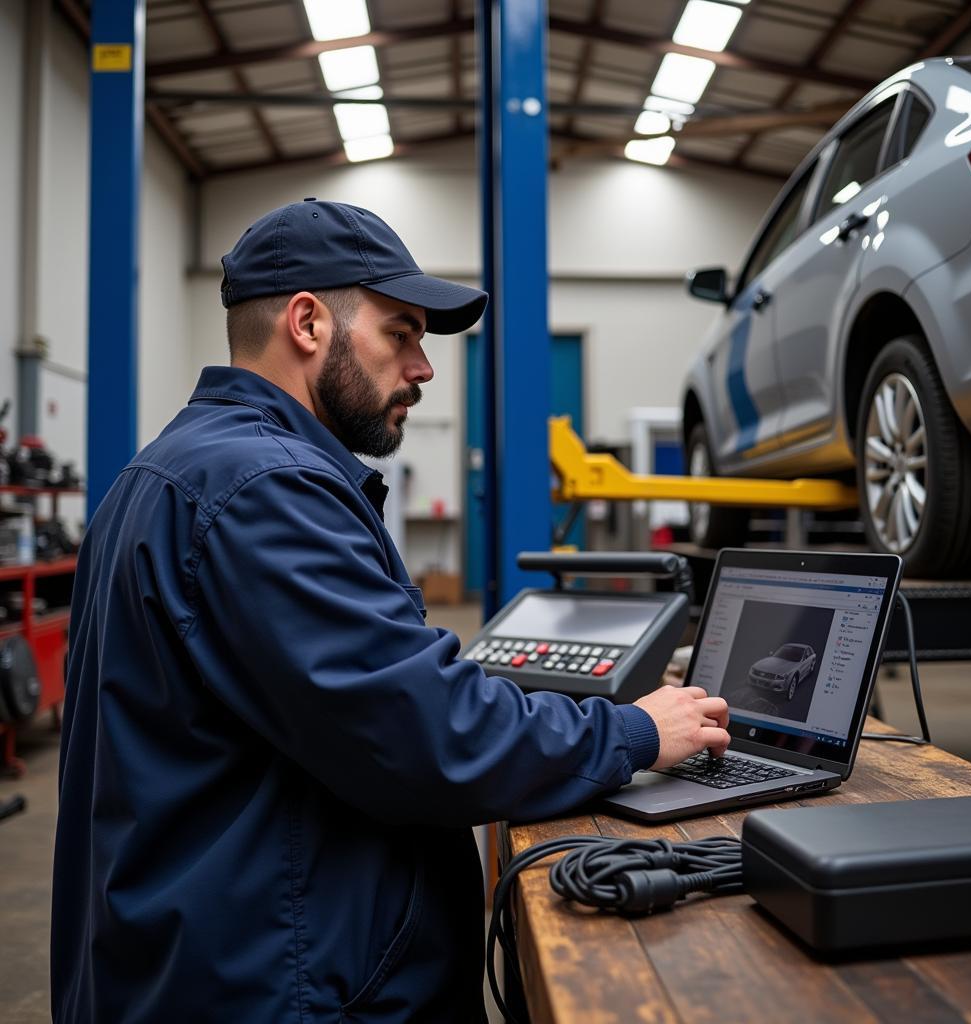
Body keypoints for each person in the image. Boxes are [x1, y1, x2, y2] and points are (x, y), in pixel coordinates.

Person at [51, 199, 730, 1023]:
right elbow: (426, 732)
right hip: (277, 986)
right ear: (308, 322)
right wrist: (635, 732)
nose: (424, 367)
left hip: (194, 959)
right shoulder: (266, 488)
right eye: (400, 333)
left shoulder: (165, 472)